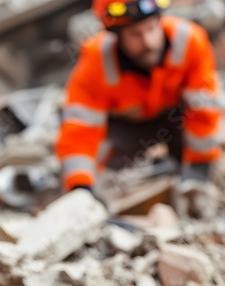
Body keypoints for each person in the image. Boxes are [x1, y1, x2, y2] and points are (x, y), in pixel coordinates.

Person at [55, 0, 222, 217]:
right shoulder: (95, 61)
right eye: (135, 34)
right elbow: (80, 131)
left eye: (152, 29)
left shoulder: (190, 40)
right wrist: (80, 188)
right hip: (126, 128)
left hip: (176, 118)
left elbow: (204, 111)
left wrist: (199, 171)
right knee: (100, 179)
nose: (148, 42)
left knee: (208, 167)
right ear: (117, 36)